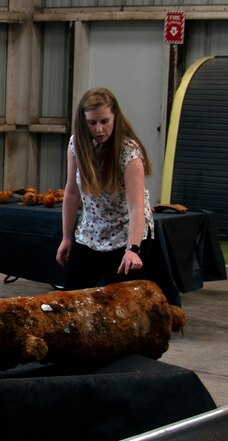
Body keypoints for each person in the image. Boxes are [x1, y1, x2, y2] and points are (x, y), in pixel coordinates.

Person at [55, 87, 160, 296]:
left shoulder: (129, 152)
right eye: (92, 123)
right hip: (91, 231)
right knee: (71, 297)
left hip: (124, 233)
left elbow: (137, 206)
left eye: (105, 121)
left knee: (121, 301)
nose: (99, 129)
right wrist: (66, 237)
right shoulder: (77, 145)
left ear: (115, 118)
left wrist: (132, 249)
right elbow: (72, 192)